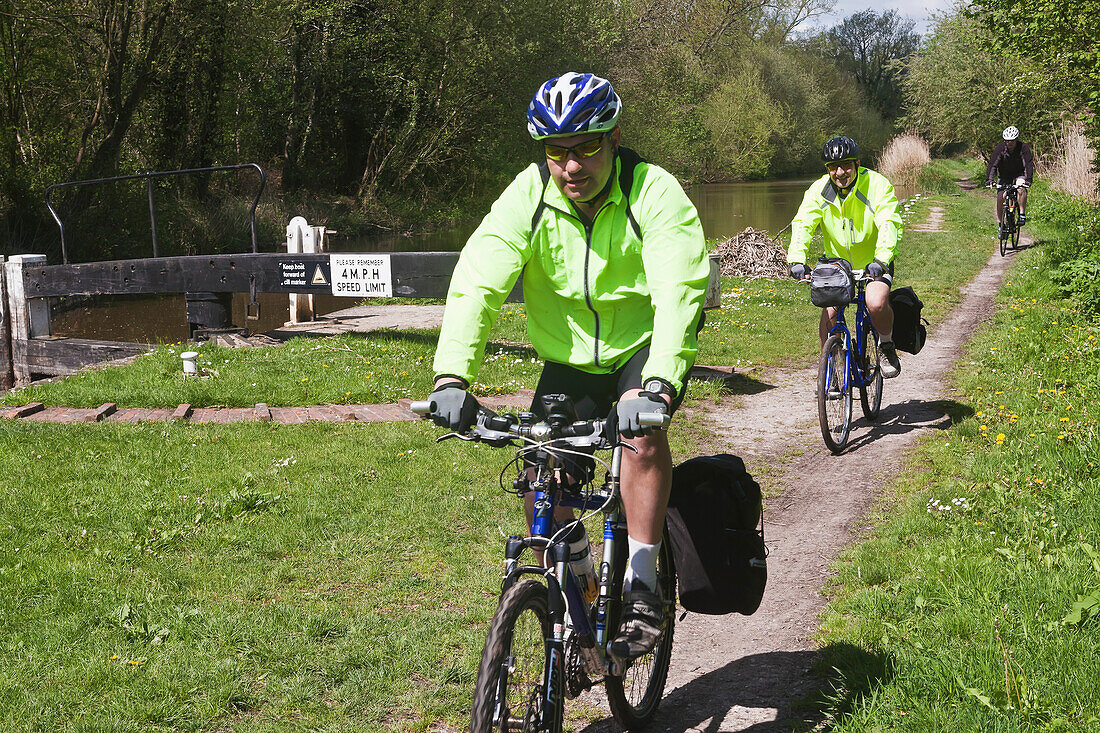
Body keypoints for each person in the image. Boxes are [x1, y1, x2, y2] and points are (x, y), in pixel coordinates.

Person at [422, 72, 710, 660]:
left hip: (641, 351)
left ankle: (643, 582)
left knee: (643, 441)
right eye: (557, 152)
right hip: (570, 359)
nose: (571, 165)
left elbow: (679, 283)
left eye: (586, 147)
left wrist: (657, 384)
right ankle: (579, 577)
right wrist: (452, 375)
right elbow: (478, 277)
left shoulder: (653, 191)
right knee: (541, 481)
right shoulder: (528, 196)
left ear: (614, 138)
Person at [786, 135, 904, 378]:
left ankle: (886, 344)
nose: (840, 172)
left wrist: (881, 260)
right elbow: (803, 222)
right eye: (832, 167)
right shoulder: (819, 190)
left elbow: (888, 222)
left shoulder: (876, 185)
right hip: (837, 263)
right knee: (829, 313)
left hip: (874, 261)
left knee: (875, 303)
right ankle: (832, 372)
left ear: (857, 164)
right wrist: (796, 258)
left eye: (846, 165)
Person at [985, 126, 1034, 233]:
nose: (1009, 143)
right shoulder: (1000, 148)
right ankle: (1001, 224)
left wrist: (1028, 180)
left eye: (1012, 141)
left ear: (1016, 139)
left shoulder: (1023, 148)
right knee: (1000, 197)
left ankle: (1021, 214)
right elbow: (992, 165)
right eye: (1007, 141)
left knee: (1021, 189)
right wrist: (989, 180)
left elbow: (1028, 164)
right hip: (1004, 175)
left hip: (1019, 173)